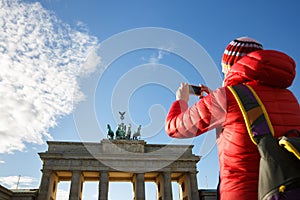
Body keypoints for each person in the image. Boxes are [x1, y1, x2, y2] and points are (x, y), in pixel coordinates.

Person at [165, 37, 300, 199]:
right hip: (286, 191)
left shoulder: (224, 98)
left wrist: (181, 100)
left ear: (232, 67)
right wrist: (211, 100)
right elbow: (242, 116)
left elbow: (175, 128)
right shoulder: (290, 98)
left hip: (242, 193)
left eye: (224, 70)